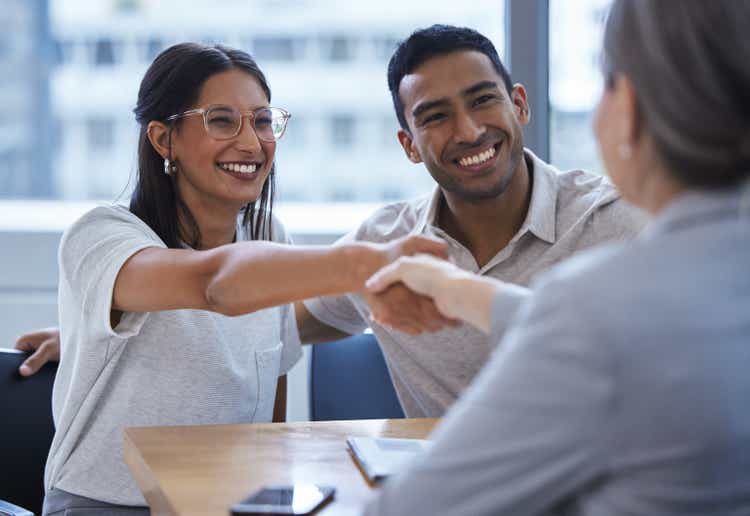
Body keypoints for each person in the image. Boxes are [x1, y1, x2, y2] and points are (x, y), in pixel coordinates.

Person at [16, 25, 647, 418]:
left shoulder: (622, 225)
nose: (468, 131)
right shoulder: (385, 244)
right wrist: (105, 325)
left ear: (519, 106)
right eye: (434, 117)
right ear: (408, 144)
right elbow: (229, 297)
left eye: (483, 102)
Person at [363, 1, 750, 514]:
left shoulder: (594, 299)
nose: (469, 130)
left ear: (627, 106)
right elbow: (627, 342)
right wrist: (454, 288)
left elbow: (407, 509)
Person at [40, 42, 444, 515]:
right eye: (222, 120)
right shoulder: (102, 236)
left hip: (226, 504)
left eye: (262, 120)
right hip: (107, 505)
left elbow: (268, 404)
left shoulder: (270, 237)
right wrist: (369, 262)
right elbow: (211, 285)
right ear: (162, 138)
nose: (252, 143)